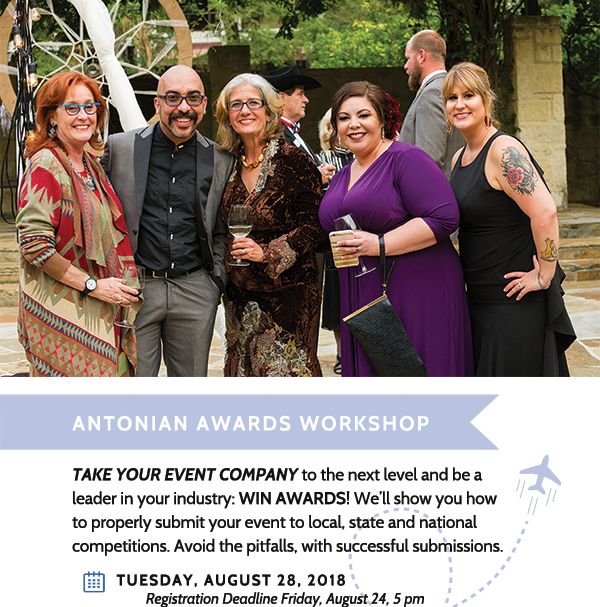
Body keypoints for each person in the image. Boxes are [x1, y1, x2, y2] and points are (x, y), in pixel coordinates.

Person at [319, 81, 473, 377]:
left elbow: (443, 217)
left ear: (382, 120)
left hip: (416, 289)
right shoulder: (341, 175)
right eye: (344, 118)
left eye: (364, 115)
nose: (353, 124)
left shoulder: (406, 159)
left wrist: (378, 244)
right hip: (360, 292)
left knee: (416, 378)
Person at [442, 62, 576, 376]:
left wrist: (545, 275)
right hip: (478, 298)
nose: (459, 104)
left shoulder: (503, 151)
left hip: (513, 302)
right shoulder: (459, 157)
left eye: (469, 95)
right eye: (452, 97)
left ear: (487, 100)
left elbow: (545, 212)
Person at [101, 65, 234, 377]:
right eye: (173, 98)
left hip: (195, 290)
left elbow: (222, 228)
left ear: (204, 104)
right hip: (137, 289)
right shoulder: (119, 148)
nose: (183, 107)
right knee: (135, 385)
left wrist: (214, 283)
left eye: (193, 98)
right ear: (157, 103)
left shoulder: (221, 159)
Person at [16, 71, 140, 377]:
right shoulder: (45, 164)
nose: (83, 115)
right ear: (52, 117)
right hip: (61, 317)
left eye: (90, 106)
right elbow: (35, 247)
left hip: (99, 313)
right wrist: (93, 286)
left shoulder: (91, 165)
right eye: (71, 108)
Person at [215, 73, 326, 376]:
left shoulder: (294, 161)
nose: (245, 110)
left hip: (288, 297)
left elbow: (314, 226)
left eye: (253, 102)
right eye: (236, 104)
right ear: (228, 116)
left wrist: (266, 252)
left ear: (268, 111)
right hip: (240, 298)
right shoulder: (226, 163)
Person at [316, 109, 354, 375]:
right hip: (335, 237)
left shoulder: (362, 155)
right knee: (336, 296)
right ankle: (341, 352)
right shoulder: (321, 160)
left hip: (361, 233)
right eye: (332, 124)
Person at [398, 30, 464, 177]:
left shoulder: (432, 93)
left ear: (421, 56)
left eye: (408, 58)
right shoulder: (452, 88)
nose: (406, 66)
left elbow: (428, 160)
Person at [264, 66, 336, 186]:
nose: (306, 100)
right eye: (300, 94)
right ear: (281, 98)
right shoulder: (275, 134)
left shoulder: (290, 132)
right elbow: (278, 181)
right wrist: (315, 177)